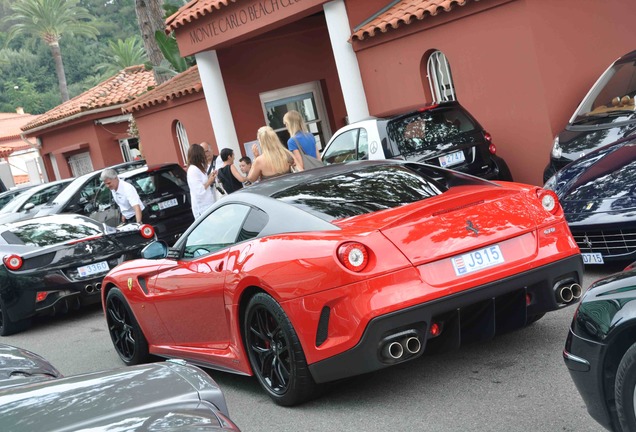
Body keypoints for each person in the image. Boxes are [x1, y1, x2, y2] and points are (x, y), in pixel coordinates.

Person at [187, 144, 217, 218]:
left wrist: (210, 176)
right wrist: (210, 181)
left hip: (208, 204)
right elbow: (199, 190)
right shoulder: (193, 170)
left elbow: (203, 182)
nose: (205, 155)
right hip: (202, 208)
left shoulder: (199, 168)